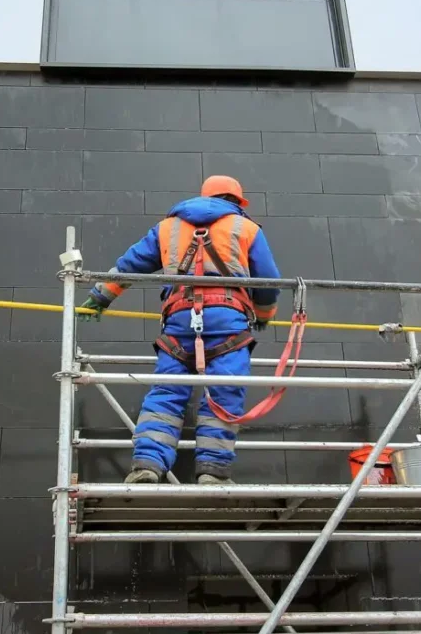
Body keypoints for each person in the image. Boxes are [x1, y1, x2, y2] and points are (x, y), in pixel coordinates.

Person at [79, 176, 281, 485]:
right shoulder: (247, 229)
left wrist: (99, 298)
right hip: (227, 322)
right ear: (238, 203)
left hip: (179, 321)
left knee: (167, 392)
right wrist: (265, 316)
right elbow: (268, 282)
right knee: (224, 392)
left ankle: (147, 466)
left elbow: (130, 265)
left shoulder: (167, 228)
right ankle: (213, 474)